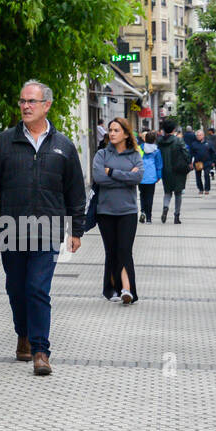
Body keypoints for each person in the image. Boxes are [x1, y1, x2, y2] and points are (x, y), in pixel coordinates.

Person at [0, 79, 85, 376]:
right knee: (15, 289)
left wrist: (76, 230)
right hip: (11, 229)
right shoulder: (3, 143)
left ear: (46, 105)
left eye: (31, 101)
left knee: (37, 288)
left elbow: (75, 190)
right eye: (22, 101)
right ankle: (22, 333)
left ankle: (40, 350)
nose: (25, 106)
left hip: (48, 229)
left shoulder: (63, 146)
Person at [91, 117, 143, 304]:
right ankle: (111, 289)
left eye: (116, 130)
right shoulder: (102, 155)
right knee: (111, 251)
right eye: (110, 130)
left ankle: (128, 290)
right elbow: (98, 177)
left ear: (126, 134)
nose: (111, 133)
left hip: (128, 211)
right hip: (105, 211)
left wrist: (112, 172)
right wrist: (125, 177)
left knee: (124, 250)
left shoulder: (134, 155)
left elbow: (137, 178)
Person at [156, 120, 189, 224]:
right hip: (178, 170)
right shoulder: (179, 141)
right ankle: (176, 216)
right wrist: (188, 162)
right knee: (178, 193)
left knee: (167, 192)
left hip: (165, 170)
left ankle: (165, 207)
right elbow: (186, 154)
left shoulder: (159, 141)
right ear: (174, 129)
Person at [137, 130, 161, 223]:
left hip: (141, 176)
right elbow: (159, 165)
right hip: (152, 177)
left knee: (142, 195)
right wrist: (159, 176)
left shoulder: (140, 148)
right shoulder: (156, 150)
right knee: (150, 196)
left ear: (145, 139)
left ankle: (142, 211)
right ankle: (149, 217)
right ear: (154, 140)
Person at [189, 129, 213, 196]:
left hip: (207, 162)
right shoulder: (194, 144)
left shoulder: (208, 142)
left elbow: (213, 152)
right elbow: (191, 154)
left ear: (203, 135)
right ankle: (200, 189)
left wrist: (213, 161)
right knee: (198, 176)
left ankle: (207, 189)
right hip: (198, 162)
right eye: (197, 135)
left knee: (206, 174)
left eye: (200, 135)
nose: (199, 136)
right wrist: (190, 162)